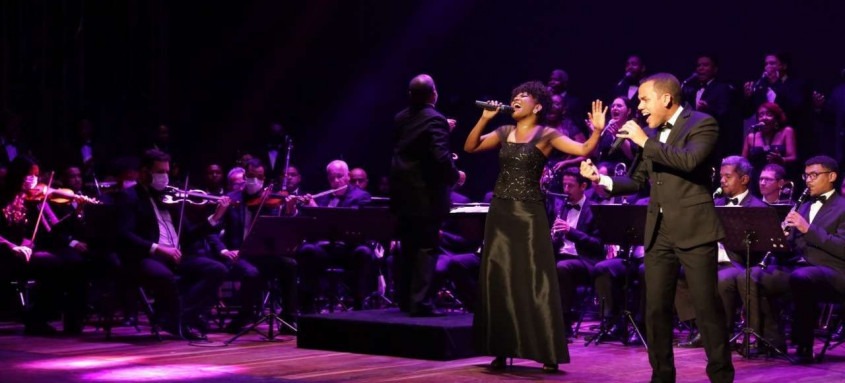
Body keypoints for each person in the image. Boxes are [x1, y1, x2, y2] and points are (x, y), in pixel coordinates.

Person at [581, 73, 734, 383]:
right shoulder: (649, 133)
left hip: (693, 227)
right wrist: (601, 180)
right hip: (658, 229)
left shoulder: (703, 123)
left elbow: (690, 161)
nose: (640, 106)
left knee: (706, 307)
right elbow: (637, 181)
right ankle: (661, 376)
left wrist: (644, 141)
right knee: (656, 309)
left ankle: (720, 375)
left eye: (644, 99)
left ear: (666, 99)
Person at [464, 80, 604, 372]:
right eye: (513, 95)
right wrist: (485, 118)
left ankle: (546, 349)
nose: (515, 99)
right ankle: (500, 348)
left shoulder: (547, 133)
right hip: (500, 211)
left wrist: (598, 130)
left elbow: (584, 148)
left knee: (533, 277)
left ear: (537, 106)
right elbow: (470, 146)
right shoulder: (504, 131)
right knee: (498, 276)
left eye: (522, 96)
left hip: (528, 213)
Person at [389, 74, 460, 317]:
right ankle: (421, 303)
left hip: (402, 194)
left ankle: (406, 301)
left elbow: (413, 147)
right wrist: (455, 175)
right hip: (425, 196)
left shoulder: (401, 118)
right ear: (434, 94)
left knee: (407, 247)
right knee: (427, 248)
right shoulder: (435, 119)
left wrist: (441, 127)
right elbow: (439, 158)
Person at [783, 155, 845, 363]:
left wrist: (807, 228)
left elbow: (842, 247)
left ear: (832, 176)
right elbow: (795, 246)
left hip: (834, 271)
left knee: (802, 278)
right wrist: (782, 239)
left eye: (814, 175)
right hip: (801, 267)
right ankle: (771, 341)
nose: (808, 180)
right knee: (755, 276)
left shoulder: (843, 207)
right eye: (806, 175)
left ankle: (804, 346)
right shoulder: (803, 206)